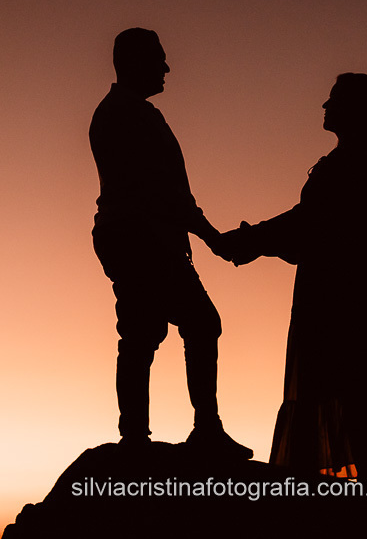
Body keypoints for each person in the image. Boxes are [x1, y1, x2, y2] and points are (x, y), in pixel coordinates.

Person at [220, 73, 367, 483]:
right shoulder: (351, 159)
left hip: (346, 279)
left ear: (352, 110)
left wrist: (253, 239)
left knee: (349, 380)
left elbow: (314, 223)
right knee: (352, 380)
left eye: (332, 101)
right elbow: (310, 229)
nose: (324, 108)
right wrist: (257, 240)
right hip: (340, 274)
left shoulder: (352, 160)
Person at [89, 27, 251, 459]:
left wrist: (202, 233)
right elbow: (165, 193)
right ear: (133, 61)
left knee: (148, 331)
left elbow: (169, 193)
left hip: (137, 235)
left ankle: (142, 436)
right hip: (140, 237)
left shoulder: (128, 113)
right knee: (189, 324)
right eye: (158, 58)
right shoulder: (127, 115)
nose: (166, 67)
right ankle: (176, 433)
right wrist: (212, 236)